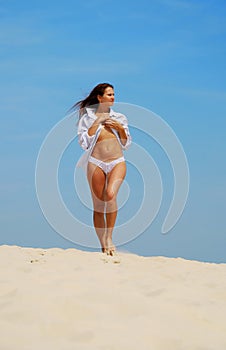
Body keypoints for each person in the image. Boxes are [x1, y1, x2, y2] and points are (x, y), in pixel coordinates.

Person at [75, 83, 131, 255]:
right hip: (95, 162)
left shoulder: (120, 117)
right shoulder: (87, 118)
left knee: (111, 195)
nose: (113, 97)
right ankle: (103, 245)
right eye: (109, 94)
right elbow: (83, 143)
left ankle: (109, 237)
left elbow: (126, 143)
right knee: (99, 205)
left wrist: (120, 129)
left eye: (113, 94)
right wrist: (96, 123)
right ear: (99, 97)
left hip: (117, 161)